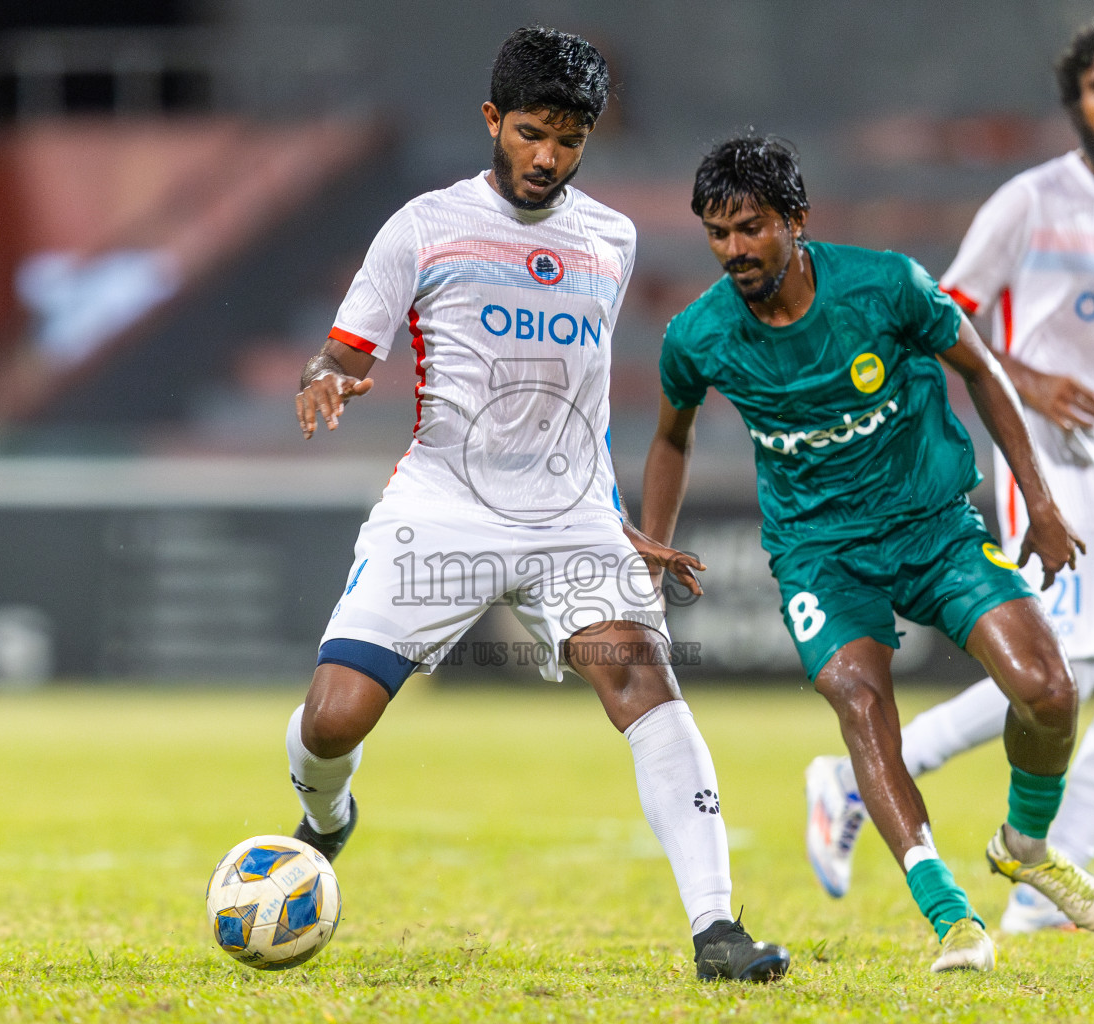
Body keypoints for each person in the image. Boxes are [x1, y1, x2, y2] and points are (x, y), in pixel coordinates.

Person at [288, 27, 789, 983]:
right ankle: (325, 817)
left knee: (641, 677)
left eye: (570, 139)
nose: (548, 156)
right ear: (492, 121)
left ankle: (717, 929)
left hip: (571, 522)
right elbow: (349, 348)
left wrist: (614, 521)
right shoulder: (424, 226)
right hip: (443, 506)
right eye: (531, 133)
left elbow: (585, 397)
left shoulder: (611, 237)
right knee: (333, 720)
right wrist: (326, 374)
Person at [642, 133, 1094, 973]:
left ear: (796, 219)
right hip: (819, 554)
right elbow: (670, 436)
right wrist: (654, 542)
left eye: (750, 228)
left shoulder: (887, 286)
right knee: (862, 705)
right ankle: (951, 918)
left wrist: (1041, 504)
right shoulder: (699, 337)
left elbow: (983, 372)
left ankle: (1024, 843)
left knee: (1049, 691)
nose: (734, 251)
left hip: (934, 525)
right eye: (717, 234)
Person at [804, 14, 1094, 933]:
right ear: (1077, 101)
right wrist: (1031, 379)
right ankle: (852, 781)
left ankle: (1044, 887)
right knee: (1067, 659)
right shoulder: (1030, 201)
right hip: (1048, 459)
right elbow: (945, 314)